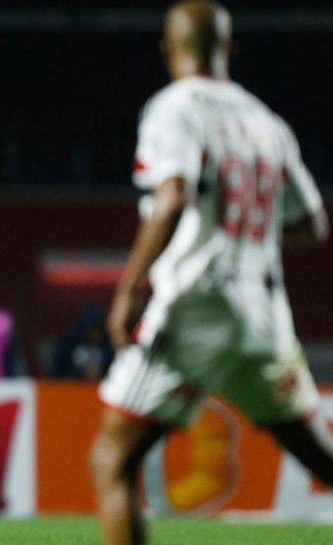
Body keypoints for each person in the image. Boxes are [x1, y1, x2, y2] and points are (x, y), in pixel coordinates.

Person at [88, 3, 333, 545]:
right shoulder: (266, 121)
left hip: (193, 309)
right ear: (230, 50)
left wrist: (129, 288)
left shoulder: (172, 108)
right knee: (320, 455)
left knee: (113, 460)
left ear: (168, 49)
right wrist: (245, 231)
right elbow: (312, 223)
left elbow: (173, 195)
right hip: (263, 316)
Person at [49, 305, 113, 380]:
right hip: (71, 387)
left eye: (97, 329)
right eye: (90, 330)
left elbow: (114, 369)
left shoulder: (108, 345)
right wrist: (80, 373)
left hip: (101, 386)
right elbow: (57, 372)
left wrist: (102, 371)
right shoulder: (68, 344)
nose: (94, 334)